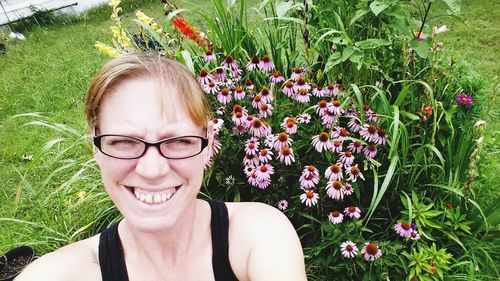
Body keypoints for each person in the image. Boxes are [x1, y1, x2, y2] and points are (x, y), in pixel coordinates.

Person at [16, 52, 307, 281]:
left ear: (207, 145)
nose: (152, 170)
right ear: (96, 148)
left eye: (178, 141)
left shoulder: (257, 237)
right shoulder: (62, 273)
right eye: (123, 142)